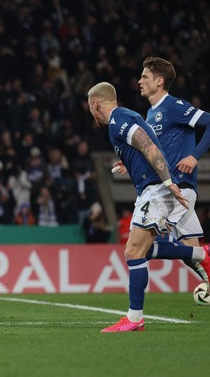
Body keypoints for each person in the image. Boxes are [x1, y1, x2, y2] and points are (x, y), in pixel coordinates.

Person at [88, 82, 209, 333]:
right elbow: (149, 146)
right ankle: (201, 255)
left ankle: (135, 318)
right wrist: (129, 164)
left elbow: (149, 146)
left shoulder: (118, 119)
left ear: (95, 104)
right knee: (138, 250)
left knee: (134, 251)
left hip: (156, 190)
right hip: (152, 190)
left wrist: (168, 183)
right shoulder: (129, 116)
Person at [136, 56, 210, 278]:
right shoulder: (150, 114)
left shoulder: (173, 105)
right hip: (172, 189)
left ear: (159, 81)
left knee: (142, 246)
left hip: (177, 188)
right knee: (192, 254)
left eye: (144, 76)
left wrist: (194, 156)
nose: (139, 81)